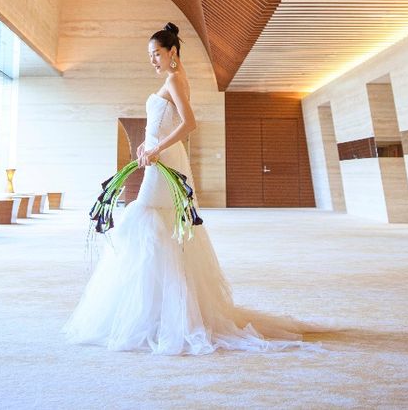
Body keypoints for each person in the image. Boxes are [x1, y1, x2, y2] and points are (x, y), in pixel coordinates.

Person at [63, 23, 322, 355]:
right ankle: (159, 311)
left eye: (157, 54)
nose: (152, 60)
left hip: (165, 160)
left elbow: (189, 123)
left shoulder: (174, 79)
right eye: (149, 55)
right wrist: (147, 145)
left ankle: (158, 315)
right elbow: (165, 123)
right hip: (159, 157)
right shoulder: (173, 79)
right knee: (155, 225)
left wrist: (157, 148)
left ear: (172, 52)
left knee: (145, 218)